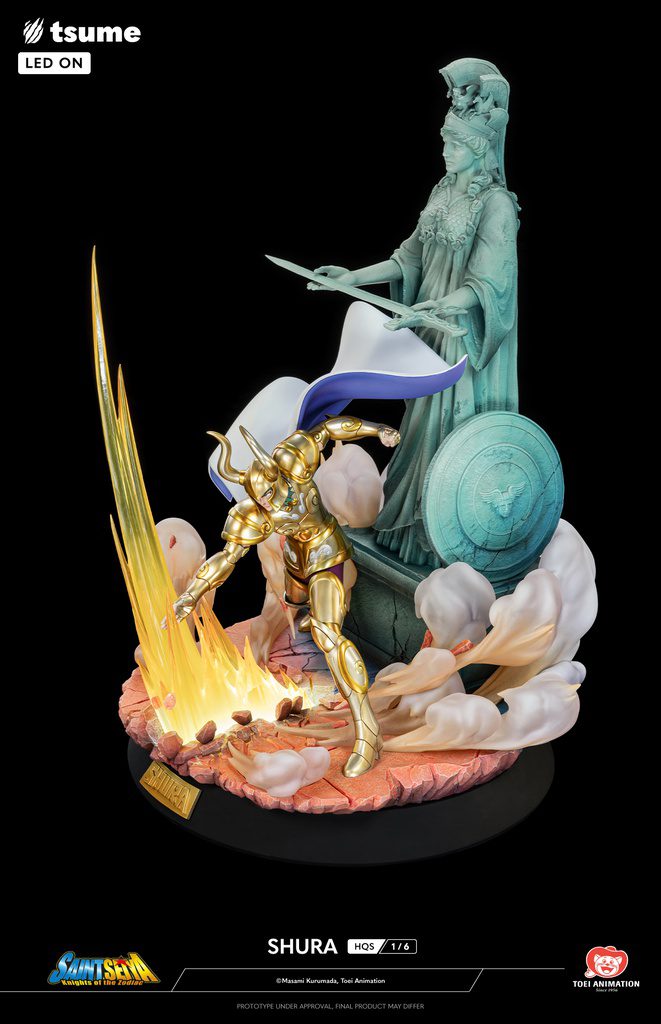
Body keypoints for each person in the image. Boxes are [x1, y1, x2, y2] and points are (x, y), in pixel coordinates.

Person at [308, 58, 520, 567]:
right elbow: (410, 258)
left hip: (460, 337)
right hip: (428, 327)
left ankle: (448, 542)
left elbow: (490, 285)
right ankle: (412, 535)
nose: (444, 151)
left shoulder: (496, 206)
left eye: (455, 144)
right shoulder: (442, 190)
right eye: (445, 141)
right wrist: (352, 277)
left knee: (447, 430)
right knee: (420, 426)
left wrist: (435, 309)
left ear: (480, 148)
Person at [169, 416, 400, 778]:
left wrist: (376, 430)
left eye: (270, 493)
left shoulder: (294, 459)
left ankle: (368, 732)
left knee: (327, 633)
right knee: (289, 605)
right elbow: (227, 557)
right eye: (260, 499)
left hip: (327, 554)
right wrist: (193, 592)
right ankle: (309, 613)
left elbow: (328, 430)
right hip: (295, 565)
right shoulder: (254, 512)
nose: (267, 502)